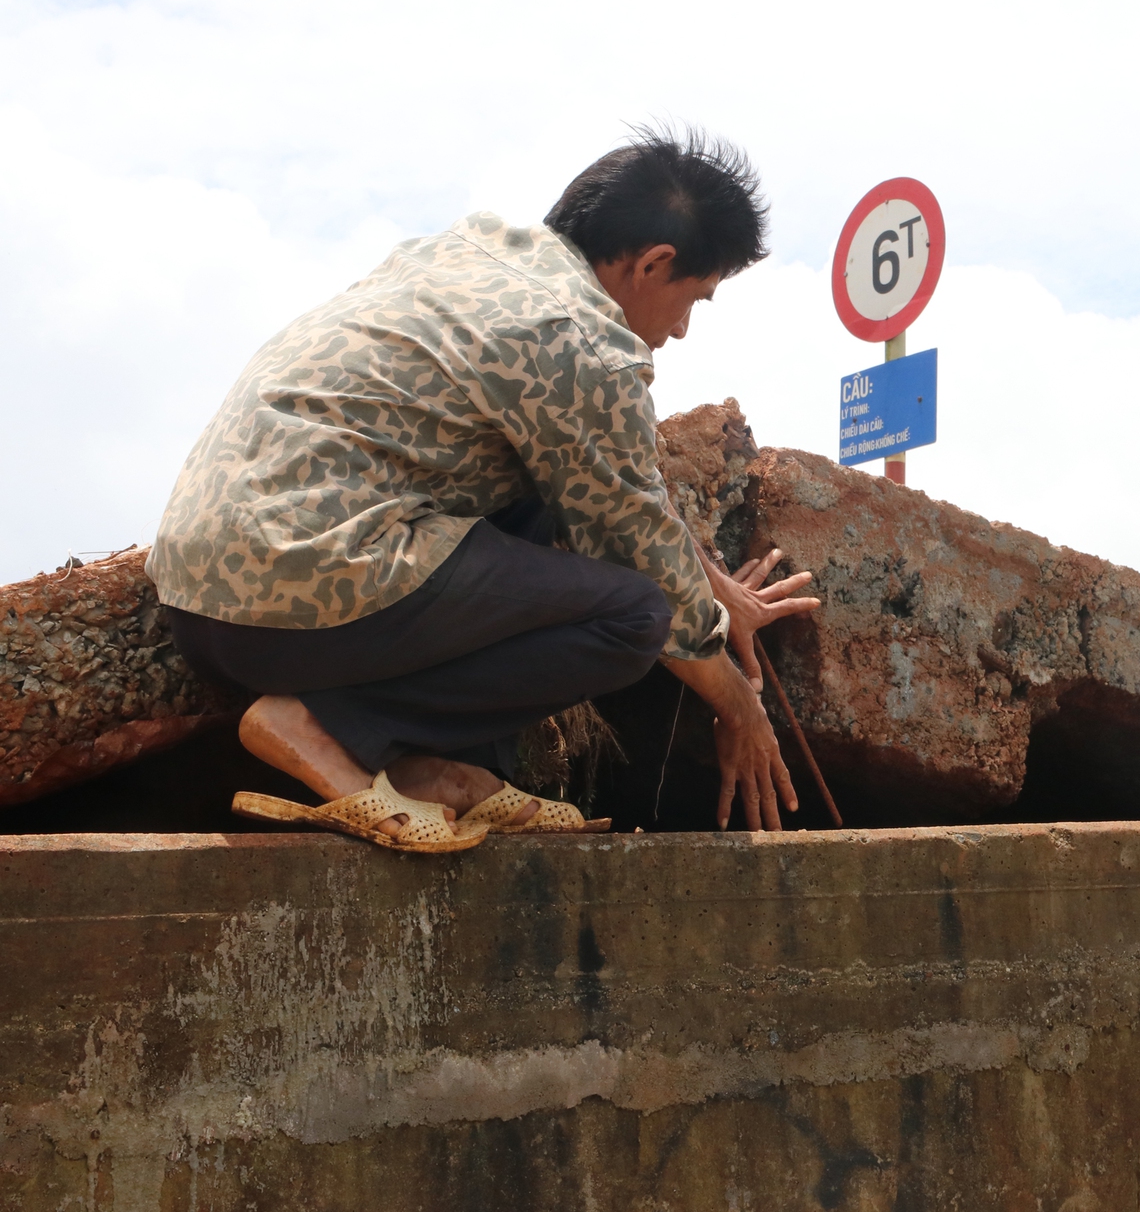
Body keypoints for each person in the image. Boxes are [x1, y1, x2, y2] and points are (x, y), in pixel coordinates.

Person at [148, 128, 818, 851]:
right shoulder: (581, 341)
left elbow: (621, 491)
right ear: (653, 264)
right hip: (288, 605)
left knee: (537, 498)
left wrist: (717, 584)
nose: (682, 329)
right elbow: (645, 570)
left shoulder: (475, 249)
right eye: (694, 299)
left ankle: (444, 769)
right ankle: (328, 726)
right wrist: (739, 707)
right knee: (633, 619)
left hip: (203, 592)